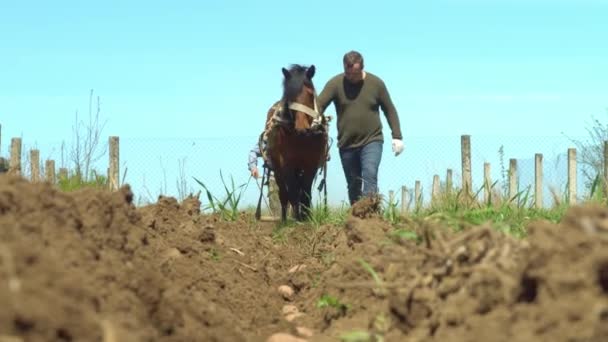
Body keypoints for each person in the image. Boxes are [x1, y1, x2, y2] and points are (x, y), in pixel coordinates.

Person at [317, 50, 404, 205]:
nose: (351, 77)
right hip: (346, 144)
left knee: (370, 174)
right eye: (347, 73)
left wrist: (397, 136)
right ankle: (356, 218)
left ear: (362, 68)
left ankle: (370, 217)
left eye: (355, 74)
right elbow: (319, 104)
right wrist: (314, 117)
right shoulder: (335, 84)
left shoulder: (376, 84)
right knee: (353, 185)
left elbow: (389, 109)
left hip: (372, 140)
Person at [248, 141, 280, 216]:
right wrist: (253, 168)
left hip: (291, 179)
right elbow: (253, 152)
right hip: (273, 178)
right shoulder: (267, 139)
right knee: (276, 210)